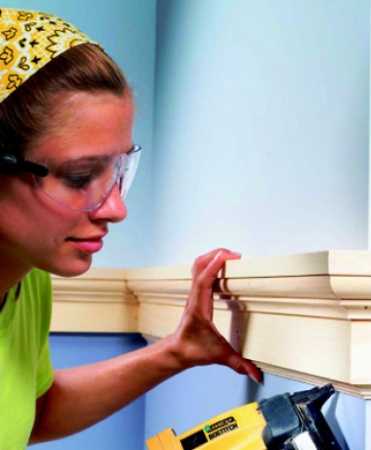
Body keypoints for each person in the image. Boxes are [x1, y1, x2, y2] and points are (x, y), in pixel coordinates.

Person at [0, 8, 262, 448]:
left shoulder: (27, 280)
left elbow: (31, 411)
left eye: (119, 171)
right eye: (80, 177)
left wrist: (176, 352)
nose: (117, 209)